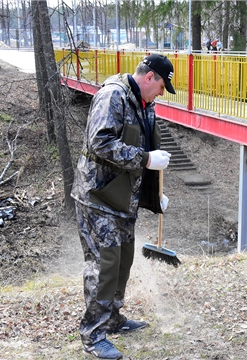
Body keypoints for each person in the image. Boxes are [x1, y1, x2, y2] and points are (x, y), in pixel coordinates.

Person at [71, 53, 176, 360]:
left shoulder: (145, 104)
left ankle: (113, 318)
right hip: (97, 196)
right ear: (150, 78)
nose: (160, 94)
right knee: (105, 263)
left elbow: (142, 146)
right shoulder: (112, 97)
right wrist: (145, 160)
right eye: (160, 87)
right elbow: (99, 143)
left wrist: (154, 197)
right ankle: (93, 334)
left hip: (122, 199)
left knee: (124, 259)